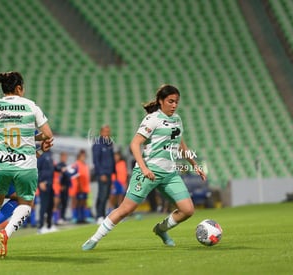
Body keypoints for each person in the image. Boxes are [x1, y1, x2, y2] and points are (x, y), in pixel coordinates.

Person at [82, 84, 207, 250]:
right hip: (149, 171)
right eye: (170, 101)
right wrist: (144, 169)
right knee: (126, 209)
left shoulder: (177, 119)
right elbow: (135, 144)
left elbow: (181, 146)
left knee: (188, 210)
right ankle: (94, 239)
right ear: (161, 101)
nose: (174, 105)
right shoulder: (152, 119)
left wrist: (195, 165)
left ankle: (161, 230)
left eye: (176, 102)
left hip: (170, 174)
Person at [0, 71, 53, 258]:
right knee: (26, 202)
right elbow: (48, 134)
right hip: (25, 166)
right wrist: (35, 138)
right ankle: (5, 233)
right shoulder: (30, 106)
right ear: (18, 88)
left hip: (0, 165)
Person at [92, 125, 115, 224]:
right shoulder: (98, 145)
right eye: (105, 132)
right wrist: (101, 173)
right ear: (101, 133)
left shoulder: (109, 144)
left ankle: (102, 214)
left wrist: (114, 173)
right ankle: (99, 216)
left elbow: (112, 160)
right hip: (103, 174)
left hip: (109, 173)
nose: (107, 134)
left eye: (108, 132)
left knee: (106, 195)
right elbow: (96, 161)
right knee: (102, 194)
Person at [69, 149, 92, 223]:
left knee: (83, 202)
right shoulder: (76, 164)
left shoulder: (85, 165)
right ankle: (75, 217)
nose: (84, 157)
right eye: (82, 156)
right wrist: (79, 186)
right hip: (77, 188)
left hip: (85, 188)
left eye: (84, 156)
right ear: (79, 156)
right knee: (76, 202)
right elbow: (75, 176)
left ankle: (82, 217)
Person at [37, 148, 56, 233]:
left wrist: (60, 168)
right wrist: (40, 181)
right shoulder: (40, 153)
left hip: (50, 183)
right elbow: (37, 169)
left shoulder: (50, 153)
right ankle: (41, 227)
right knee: (44, 205)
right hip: (43, 183)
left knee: (50, 205)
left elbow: (51, 168)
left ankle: (49, 226)